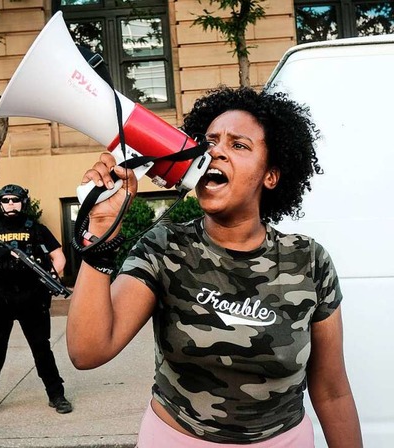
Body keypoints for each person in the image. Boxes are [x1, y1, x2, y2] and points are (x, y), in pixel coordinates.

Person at [66, 87, 363, 447]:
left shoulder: (309, 261)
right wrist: (99, 233)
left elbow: (332, 392)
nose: (216, 151)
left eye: (239, 145)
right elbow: (88, 351)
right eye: (210, 142)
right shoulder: (165, 248)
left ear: (270, 175)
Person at [0, 184, 72, 422]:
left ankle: (57, 395)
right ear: (0, 203)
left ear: (23, 202)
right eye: (6, 200)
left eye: (15, 200)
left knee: (41, 349)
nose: (10, 204)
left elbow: (59, 256)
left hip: (31, 299)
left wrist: (50, 276)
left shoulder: (36, 229)